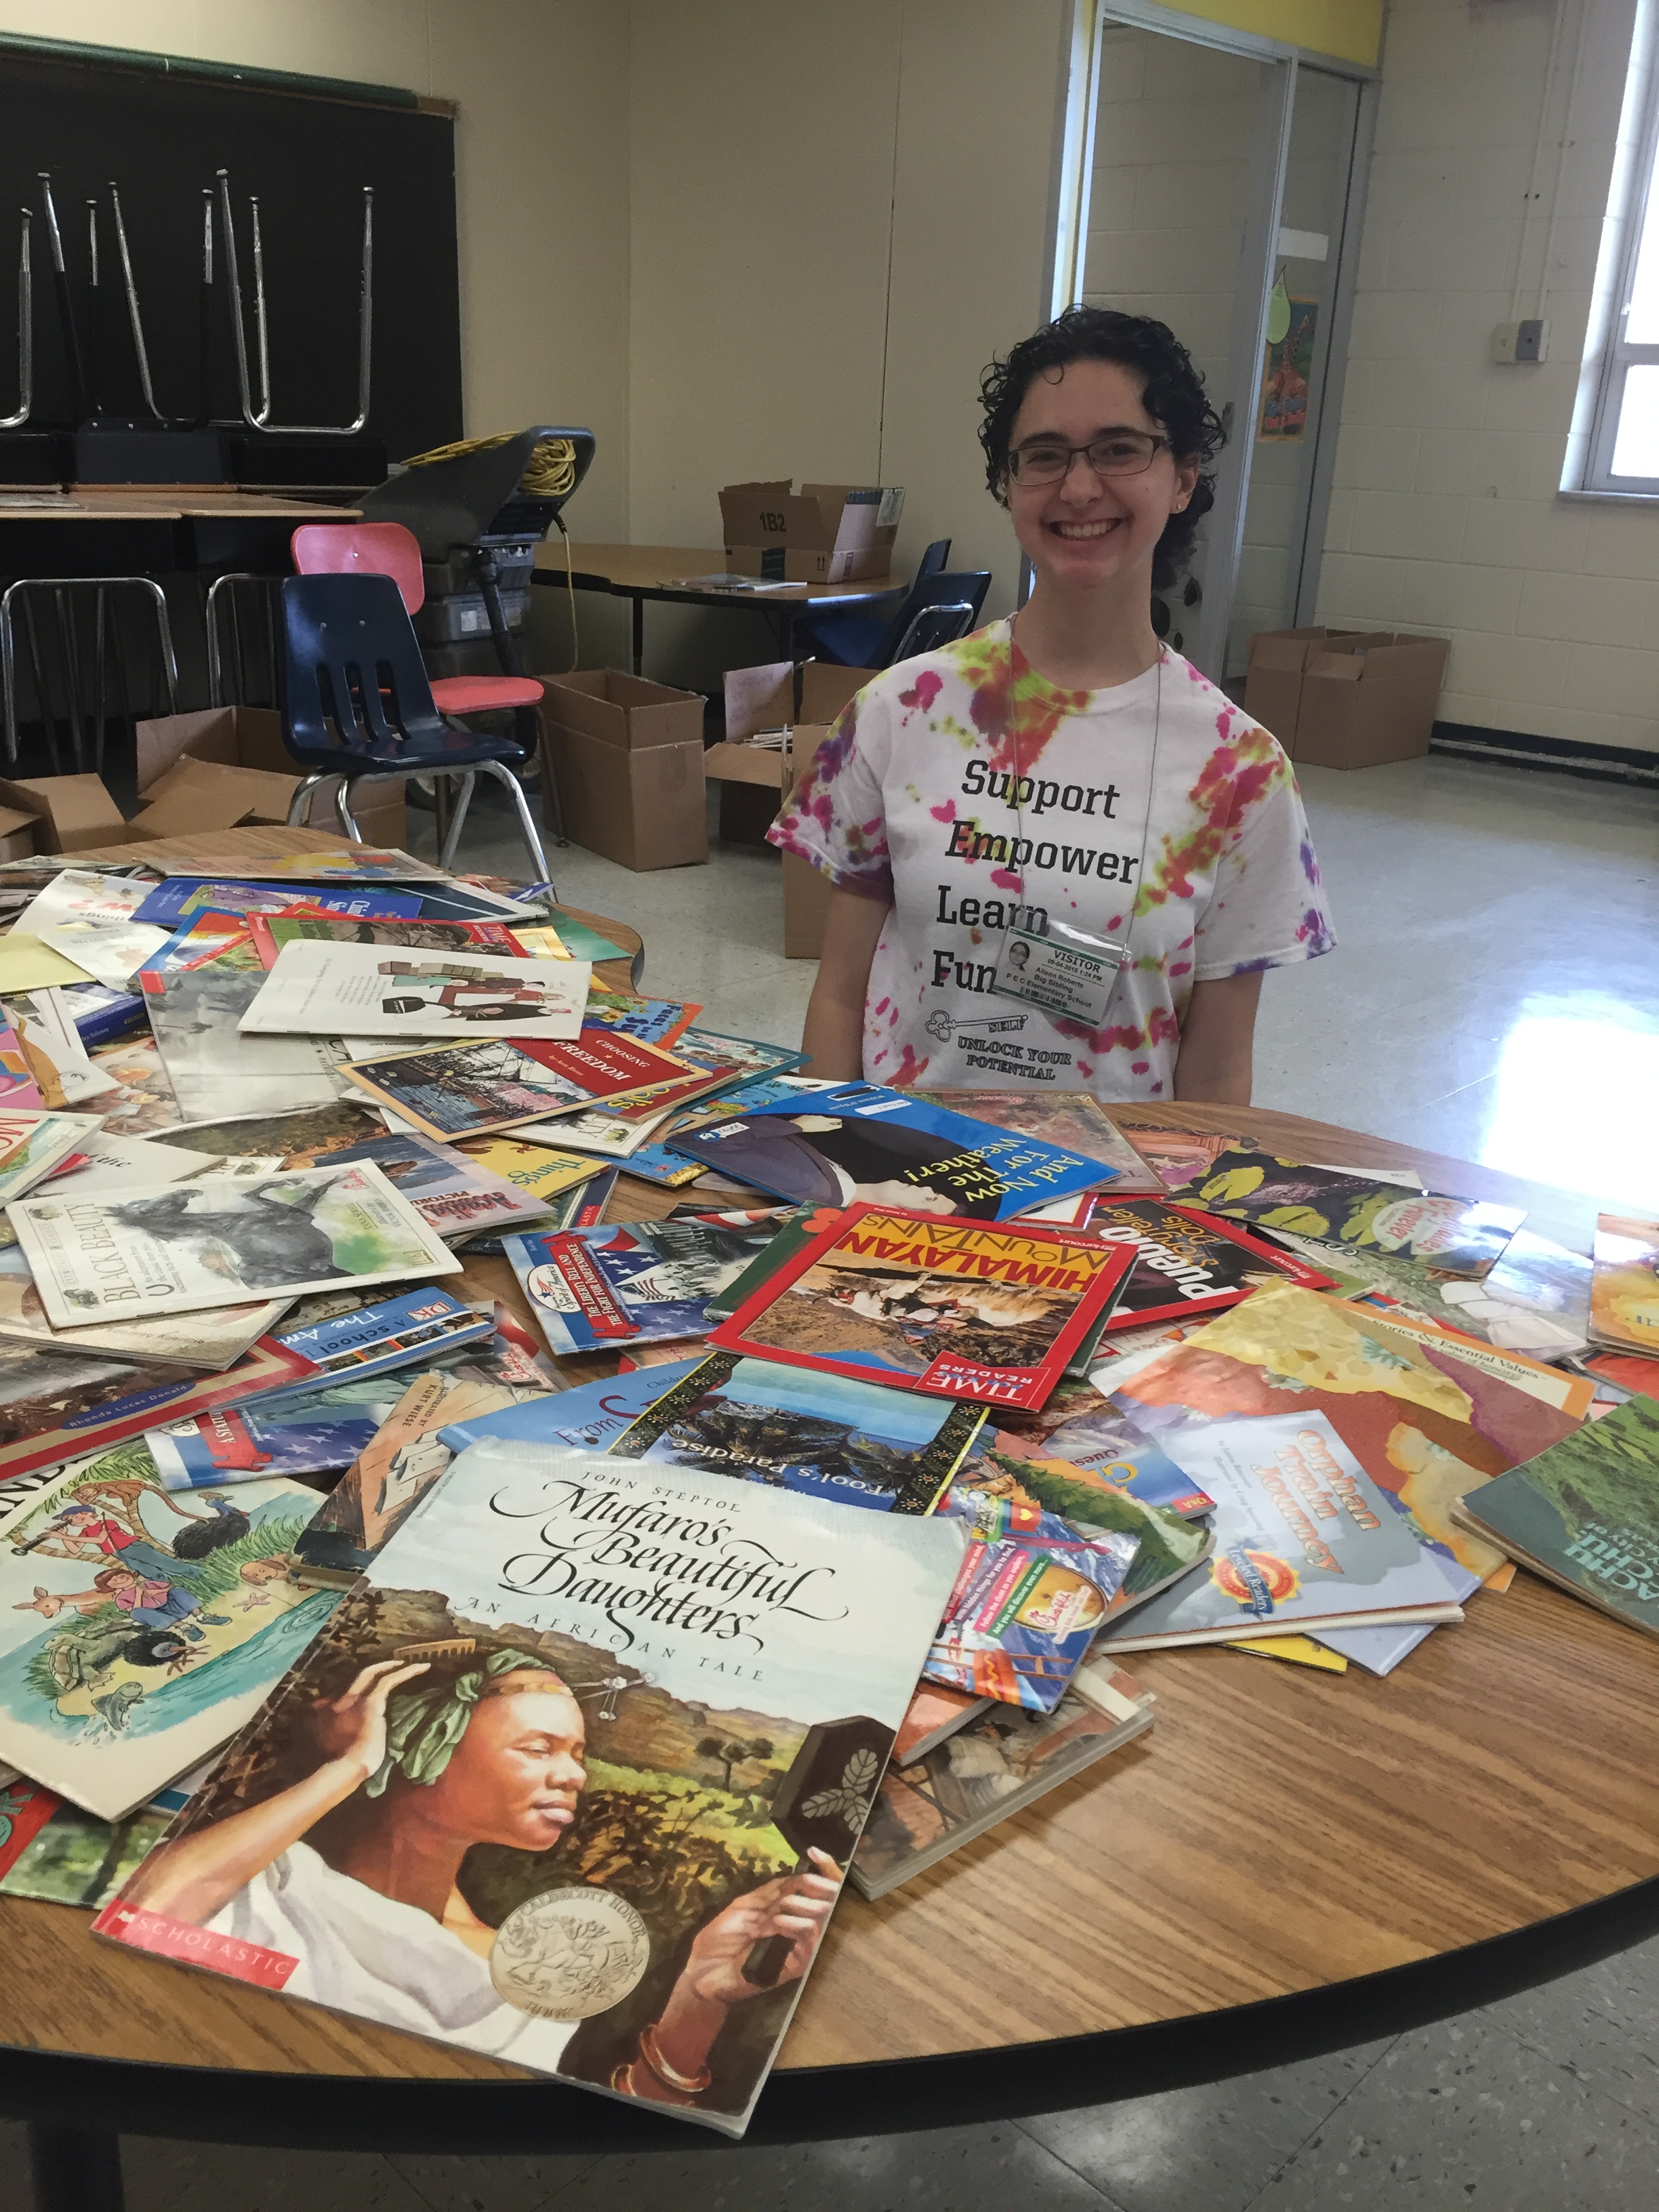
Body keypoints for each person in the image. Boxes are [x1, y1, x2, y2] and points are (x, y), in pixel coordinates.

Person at [772, 306, 1335, 1105]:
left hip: (1110, 1202)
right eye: (1044, 456)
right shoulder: (901, 710)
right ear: (1009, 483)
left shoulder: (1240, 769)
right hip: (899, 1180)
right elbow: (838, 995)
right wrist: (816, 1167)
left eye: (1119, 449)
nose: (1078, 487)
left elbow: (1217, 1068)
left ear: (1181, 478)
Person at [124, 1650, 840, 2104]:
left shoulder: (524, 1962)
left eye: (579, 1753)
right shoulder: (267, 1874)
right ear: (420, 1746)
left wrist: (699, 1997)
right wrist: (348, 1768)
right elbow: (147, 1911)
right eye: (539, 1748)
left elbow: (605, 2134)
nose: (575, 1775)